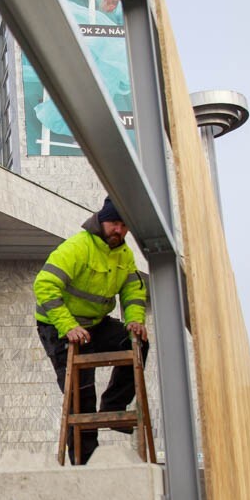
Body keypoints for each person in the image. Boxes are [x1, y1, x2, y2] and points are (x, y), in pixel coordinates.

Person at [35, 197, 148, 464]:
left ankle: (114, 406)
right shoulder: (78, 247)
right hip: (59, 326)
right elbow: (44, 285)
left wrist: (134, 320)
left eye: (123, 225)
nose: (118, 230)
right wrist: (68, 326)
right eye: (113, 223)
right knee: (80, 394)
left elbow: (133, 291)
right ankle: (84, 465)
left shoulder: (124, 255)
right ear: (101, 221)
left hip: (94, 324)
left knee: (136, 343)